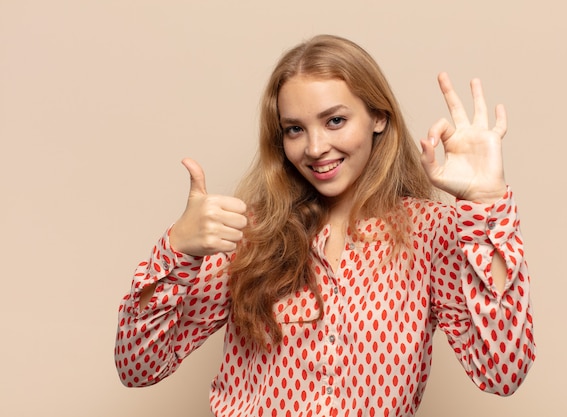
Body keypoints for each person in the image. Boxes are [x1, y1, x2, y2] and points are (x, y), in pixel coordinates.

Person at [115, 34, 535, 416]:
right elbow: (138, 366)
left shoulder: (429, 233)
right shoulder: (248, 234)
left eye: (335, 121)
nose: (315, 148)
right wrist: (176, 250)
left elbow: (501, 372)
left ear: (378, 118)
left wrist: (487, 206)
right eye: (295, 129)